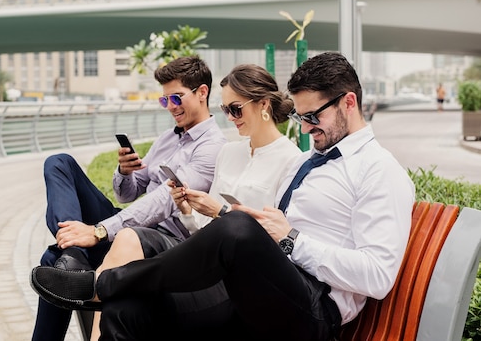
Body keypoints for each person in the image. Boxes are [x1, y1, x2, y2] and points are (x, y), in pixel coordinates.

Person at [30, 52, 416, 341]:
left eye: (313, 116)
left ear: (349, 102)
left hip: (313, 309)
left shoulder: (380, 171)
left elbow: (378, 276)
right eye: (301, 118)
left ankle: (101, 284)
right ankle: (109, 290)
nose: (307, 128)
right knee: (126, 314)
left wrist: (291, 241)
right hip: (256, 288)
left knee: (236, 227)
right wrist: (250, 222)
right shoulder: (311, 162)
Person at [81, 64, 302, 340]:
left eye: (235, 109)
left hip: (236, 283)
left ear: (264, 105)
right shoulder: (229, 152)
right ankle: (96, 283)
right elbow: (199, 227)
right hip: (199, 263)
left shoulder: (291, 160)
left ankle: (96, 284)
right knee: (121, 309)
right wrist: (187, 208)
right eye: (225, 111)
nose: (231, 118)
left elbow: (274, 241)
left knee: (124, 281)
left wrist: (221, 210)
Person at [30, 55, 227, 341]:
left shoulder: (211, 147)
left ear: (202, 92)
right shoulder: (167, 139)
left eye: (176, 98)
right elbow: (128, 194)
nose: (170, 107)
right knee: (59, 163)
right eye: (164, 101)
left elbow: (163, 201)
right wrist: (124, 172)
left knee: (51, 259)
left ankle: (70, 256)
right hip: (135, 230)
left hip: (166, 244)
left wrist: (98, 232)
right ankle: (73, 253)